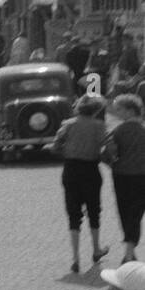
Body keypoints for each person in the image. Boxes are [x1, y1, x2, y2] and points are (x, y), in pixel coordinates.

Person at [52, 94, 109, 273]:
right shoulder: (99, 126)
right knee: (94, 211)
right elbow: (105, 147)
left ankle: (75, 257)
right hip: (90, 169)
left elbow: (56, 145)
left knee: (73, 214)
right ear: (95, 110)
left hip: (70, 169)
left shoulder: (68, 125)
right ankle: (96, 249)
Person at [102, 93, 145, 263]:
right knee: (136, 212)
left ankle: (128, 252)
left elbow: (107, 154)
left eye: (119, 109)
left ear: (129, 111)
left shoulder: (118, 131)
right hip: (142, 175)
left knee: (124, 212)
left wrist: (113, 164)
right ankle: (130, 250)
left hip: (122, 176)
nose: (117, 112)